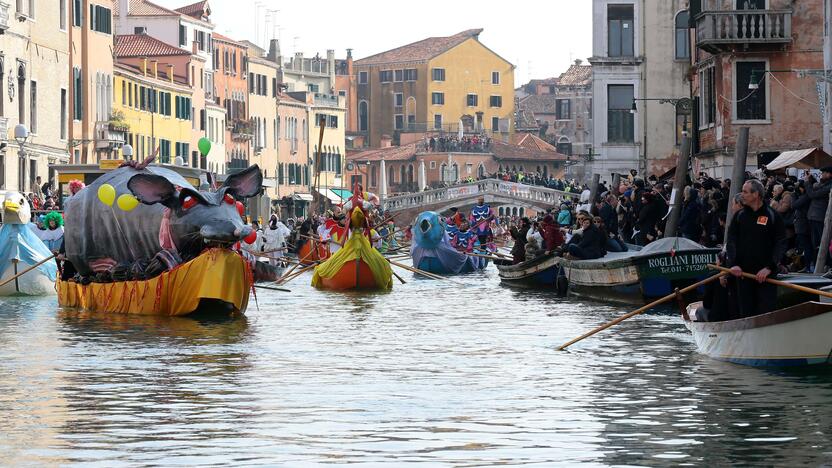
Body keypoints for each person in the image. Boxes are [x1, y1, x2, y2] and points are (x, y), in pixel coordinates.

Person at [725, 179, 787, 318]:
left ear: (756, 194)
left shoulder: (772, 215)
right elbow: (731, 242)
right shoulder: (739, 216)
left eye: (745, 192)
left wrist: (769, 267)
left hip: (766, 276)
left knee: (766, 314)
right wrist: (733, 264)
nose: (742, 195)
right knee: (746, 313)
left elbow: (781, 243)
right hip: (743, 274)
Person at [806, 167, 832, 270]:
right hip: (814, 217)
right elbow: (817, 188)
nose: (821, 175)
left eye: (824, 173)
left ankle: (826, 265)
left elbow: (813, 194)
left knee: (822, 244)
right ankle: (818, 265)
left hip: (821, 218)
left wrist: (808, 183)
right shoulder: (825, 183)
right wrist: (812, 181)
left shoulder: (830, 185)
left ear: (829, 174)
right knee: (815, 244)